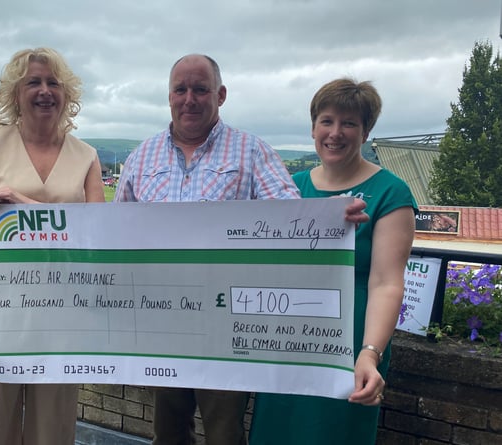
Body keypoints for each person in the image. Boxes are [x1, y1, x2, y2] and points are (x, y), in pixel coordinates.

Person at [114, 55, 367, 445]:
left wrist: (330, 217)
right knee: (167, 431)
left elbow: (289, 214)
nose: (190, 99)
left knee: (224, 432)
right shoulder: (141, 157)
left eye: (200, 90)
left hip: (227, 323)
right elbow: (115, 235)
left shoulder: (250, 151)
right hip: (160, 322)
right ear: (169, 96)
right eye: (181, 90)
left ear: (220, 95)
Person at [250, 78, 417, 445]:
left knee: (333, 434)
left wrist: (369, 354)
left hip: (351, 339)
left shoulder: (391, 193)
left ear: (366, 131)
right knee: (276, 432)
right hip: (285, 337)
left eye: (349, 123)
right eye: (326, 121)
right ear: (313, 128)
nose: (335, 133)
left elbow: (386, 282)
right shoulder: (290, 189)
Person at [0, 47, 105, 445]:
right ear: (16, 93)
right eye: (33, 82)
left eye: (54, 83)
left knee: (51, 432)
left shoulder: (86, 157)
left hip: (61, 318)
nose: (44, 91)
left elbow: (96, 239)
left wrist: (26, 205)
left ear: (67, 94)